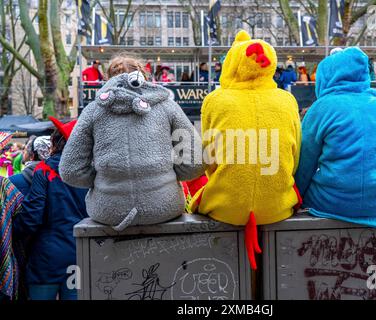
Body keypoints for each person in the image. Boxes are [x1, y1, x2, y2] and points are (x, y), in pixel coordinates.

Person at [188, 31, 301, 270]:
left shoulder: (214, 100)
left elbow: (208, 157)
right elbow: (296, 155)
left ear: (232, 62)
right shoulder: (287, 100)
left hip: (225, 206)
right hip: (278, 206)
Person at [60, 56, 204, 231]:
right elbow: (195, 162)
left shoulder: (92, 111)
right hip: (163, 206)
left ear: (108, 79)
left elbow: (70, 170)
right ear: (144, 76)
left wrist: (104, 180)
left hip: (109, 211)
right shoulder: (167, 106)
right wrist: (167, 175)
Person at [295, 47, 376, 228]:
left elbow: (304, 164)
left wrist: (296, 200)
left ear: (326, 77)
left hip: (332, 201)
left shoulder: (321, 108)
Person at [13, 117, 88, 300]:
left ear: (56, 142)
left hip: (46, 259)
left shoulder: (44, 169)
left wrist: (12, 231)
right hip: (79, 256)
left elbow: (32, 217)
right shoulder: (91, 173)